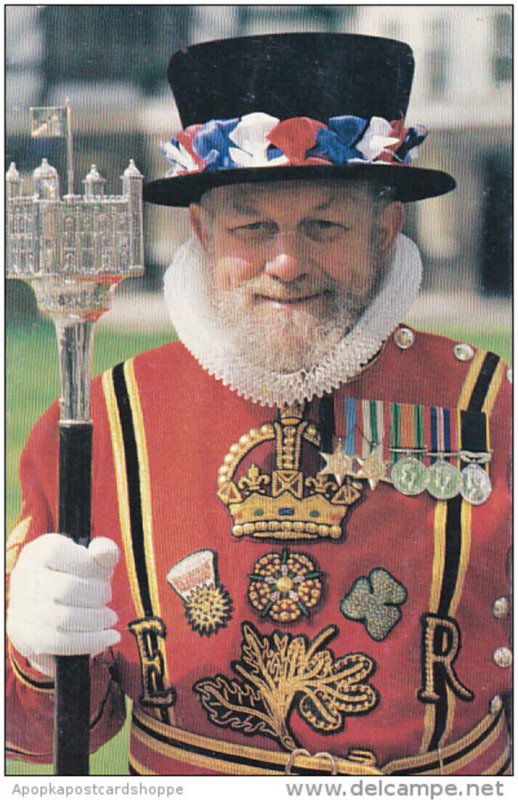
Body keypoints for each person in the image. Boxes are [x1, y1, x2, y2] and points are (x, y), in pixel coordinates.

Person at [6, 33, 511, 777]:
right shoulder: (100, 426)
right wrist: (34, 656)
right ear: (204, 232)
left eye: (325, 226)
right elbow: (44, 737)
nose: (286, 262)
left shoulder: (495, 407)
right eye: (252, 227)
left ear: (386, 230)